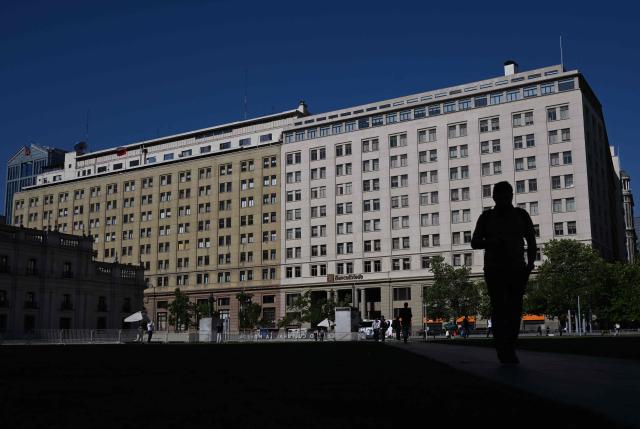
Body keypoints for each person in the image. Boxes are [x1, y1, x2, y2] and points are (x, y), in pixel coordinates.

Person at [472, 181, 536, 365]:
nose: (503, 200)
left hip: (517, 268)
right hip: (494, 269)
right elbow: (475, 242)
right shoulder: (486, 217)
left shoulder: (521, 215)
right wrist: (493, 242)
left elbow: (531, 241)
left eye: (506, 196)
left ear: (511, 196)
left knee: (515, 309)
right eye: (499, 196)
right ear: (493, 197)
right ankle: (502, 349)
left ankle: (510, 347)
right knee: (499, 308)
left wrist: (530, 264)